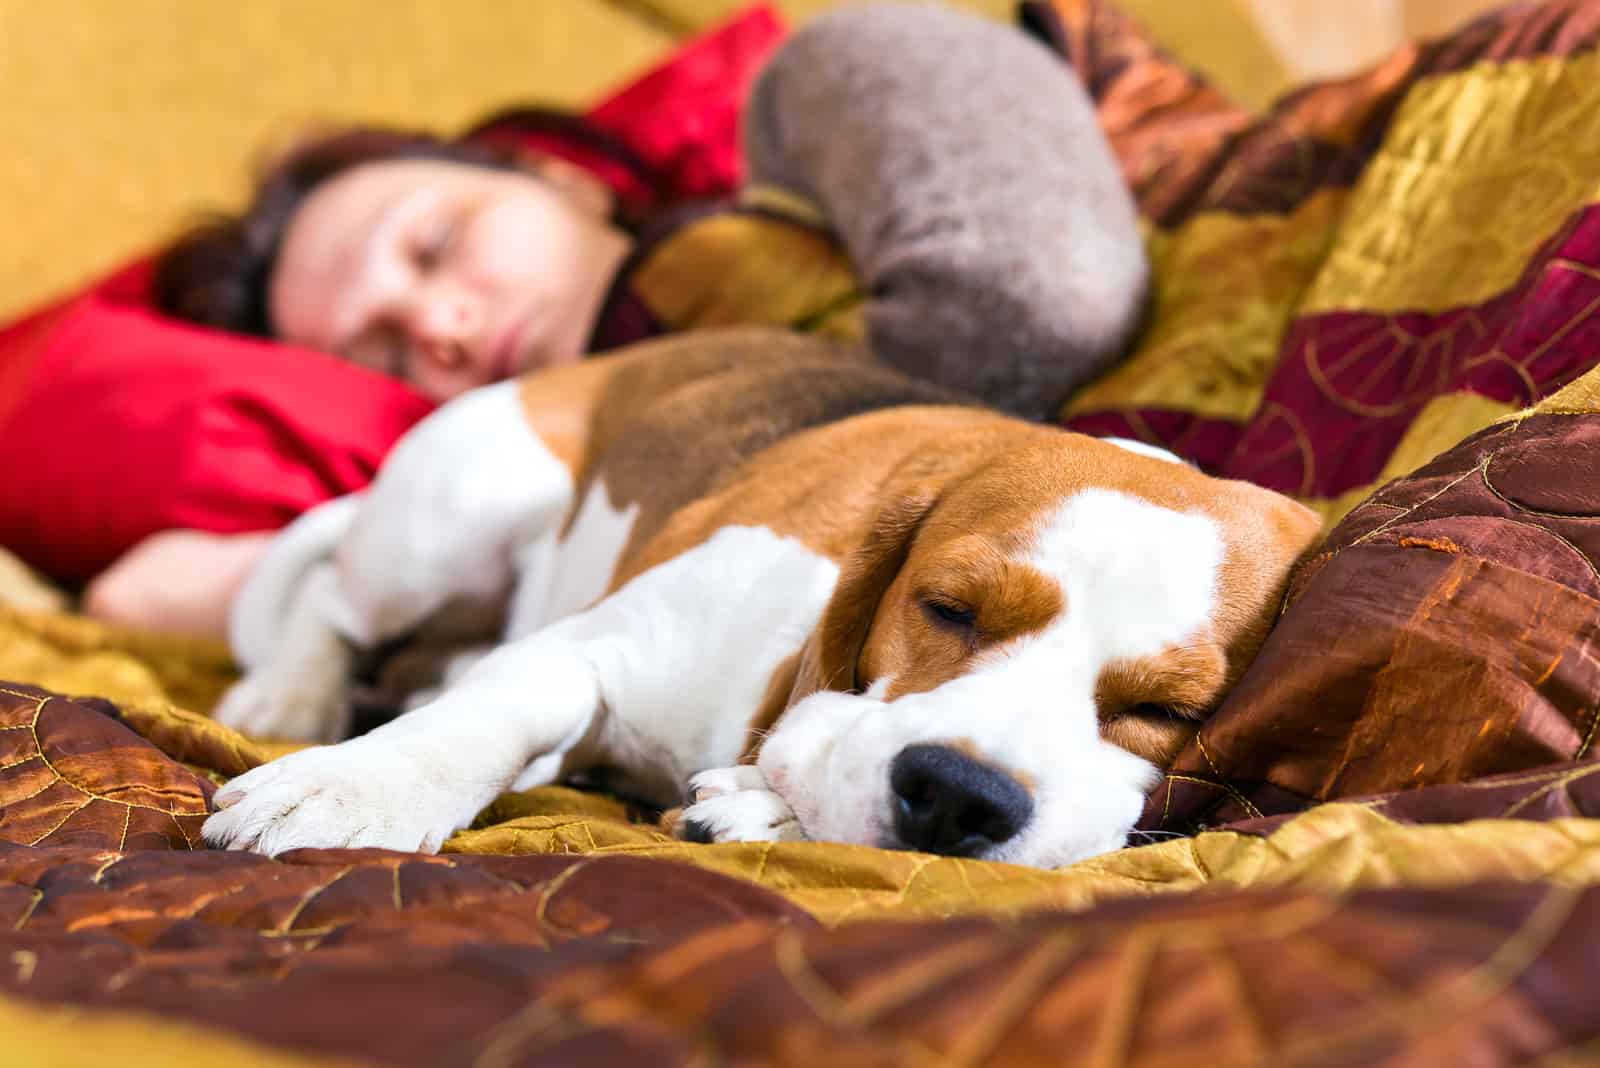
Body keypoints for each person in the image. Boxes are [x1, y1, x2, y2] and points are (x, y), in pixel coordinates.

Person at [83, 3, 1150, 642]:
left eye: (433, 247)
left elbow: (1035, 305)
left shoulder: (812, 106)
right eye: (379, 353)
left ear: (562, 177)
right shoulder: (524, 502)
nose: (439, 326)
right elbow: (139, 597)